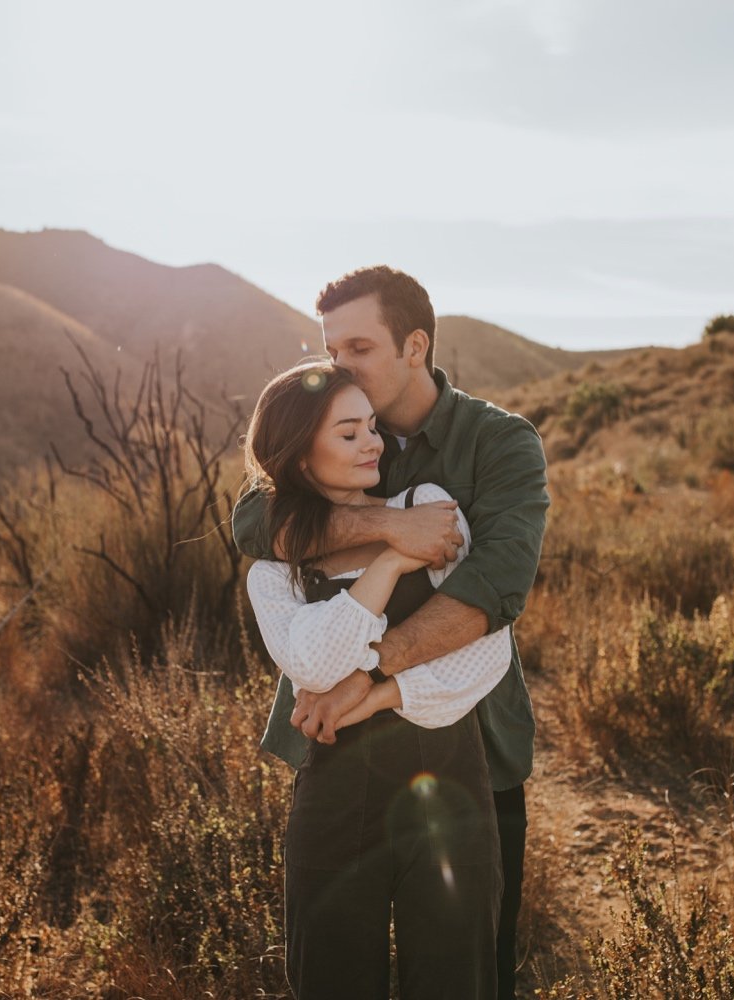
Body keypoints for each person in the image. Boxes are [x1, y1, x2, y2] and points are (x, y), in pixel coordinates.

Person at [234, 265, 549, 1000]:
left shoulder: (498, 444)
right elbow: (254, 521)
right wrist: (389, 526)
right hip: (336, 749)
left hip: (467, 735)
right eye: (330, 349)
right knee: (335, 962)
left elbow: (492, 589)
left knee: (470, 967)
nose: (337, 366)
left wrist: (369, 679)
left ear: (415, 346)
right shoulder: (323, 424)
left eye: (358, 347)